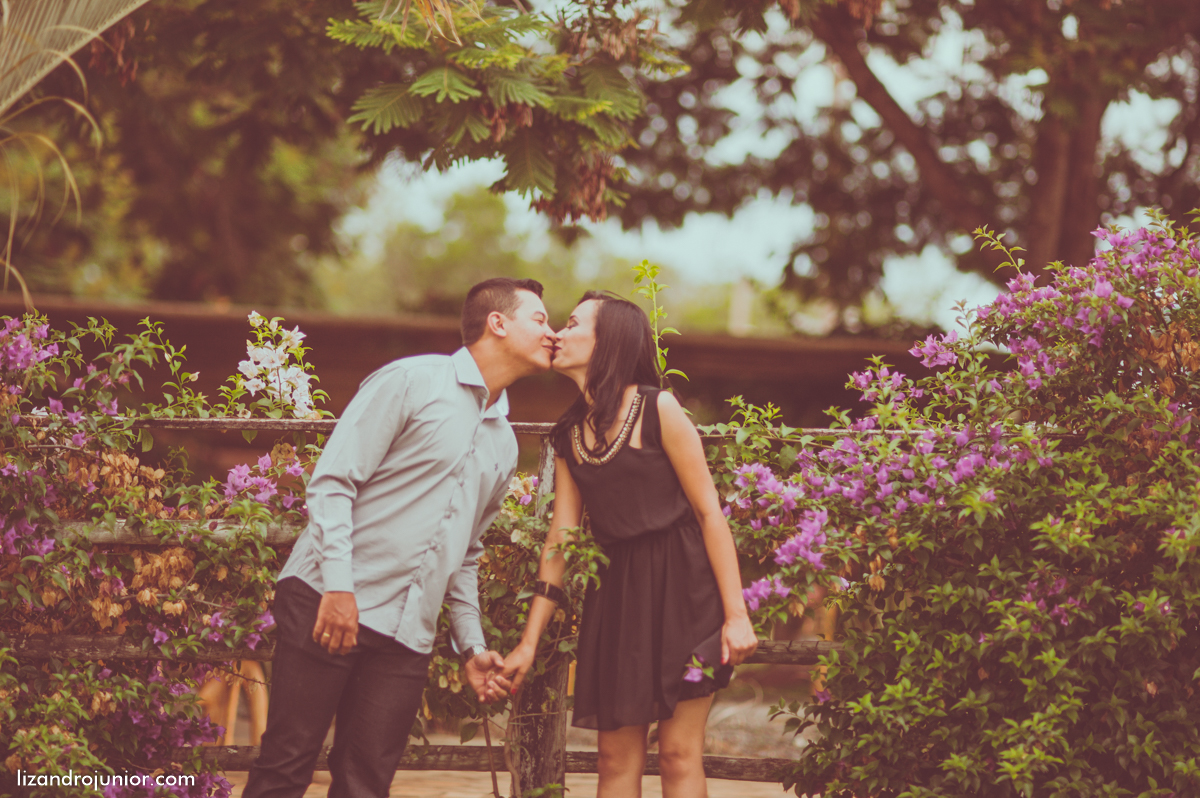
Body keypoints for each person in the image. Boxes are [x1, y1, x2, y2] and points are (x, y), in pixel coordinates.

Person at [243, 277, 557, 798]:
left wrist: (471, 644)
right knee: (285, 767)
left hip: (406, 635)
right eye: (540, 319)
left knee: (367, 785)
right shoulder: (411, 380)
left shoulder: (503, 443)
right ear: (497, 322)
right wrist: (340, 590)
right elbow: (332, 484)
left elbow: (466, 554)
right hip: (327, 601)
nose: (551, 332)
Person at [500, 291, 758, 798]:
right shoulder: (569, 434)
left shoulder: (660, 408)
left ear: (608, 341)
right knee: (614, 758)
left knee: (679, 753)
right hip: (616, 598)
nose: (558, 332)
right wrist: (529, 642)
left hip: (686, 592)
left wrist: (736, 615)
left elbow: (709, 513)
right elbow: (562, 539)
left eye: (573, 324)